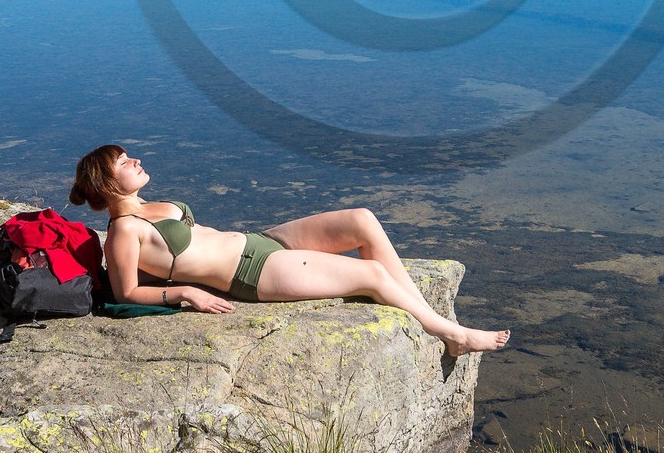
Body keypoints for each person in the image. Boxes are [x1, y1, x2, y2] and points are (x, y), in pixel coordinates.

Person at [69, 144, 509, 358]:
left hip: (259, 241)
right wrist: (185, 292)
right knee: (372, 277)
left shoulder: (148, 205)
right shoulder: (124, 231)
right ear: (107, 183)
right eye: (123, 162)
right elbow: (126, 292)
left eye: (129, 156)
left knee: (363, 220)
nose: (136, 160)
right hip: (252, 275)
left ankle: (428, 314)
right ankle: (451, 335)